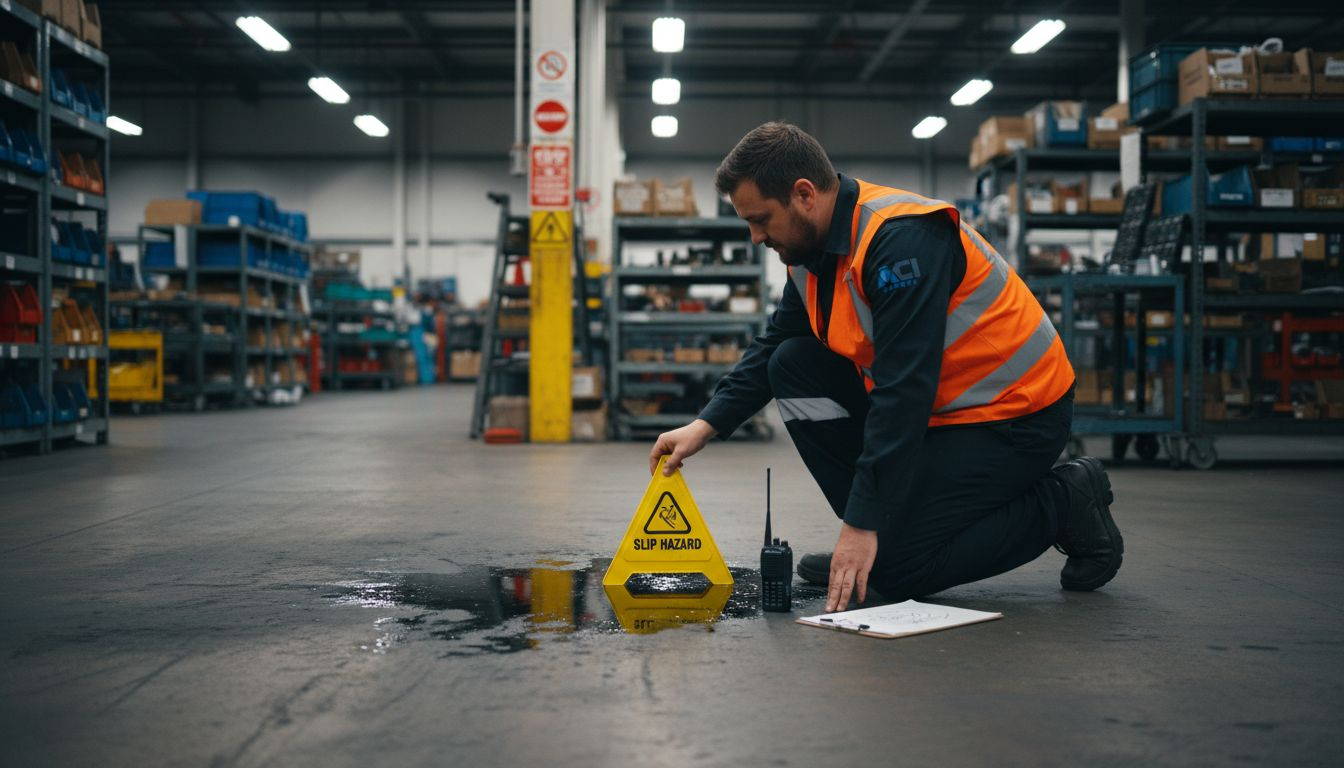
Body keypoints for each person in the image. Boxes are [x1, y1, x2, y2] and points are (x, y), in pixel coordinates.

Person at [648, 122, 1123, 614]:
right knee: (793, 363)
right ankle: (881, 537)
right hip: (943, 416)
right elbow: (774, 344)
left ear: (804, 194)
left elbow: (904, 388)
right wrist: (705, 425)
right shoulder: (809, 254)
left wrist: (861, 526)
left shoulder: (902, 241)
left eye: (761, 219)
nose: (755, 236)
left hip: (1013, 415)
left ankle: (1066, 499)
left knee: (900, 571)